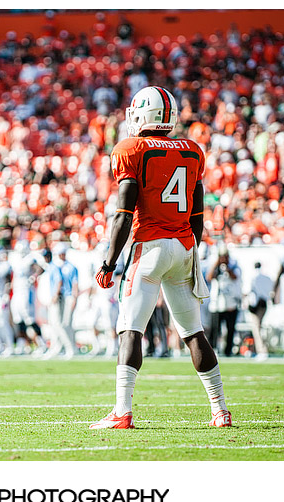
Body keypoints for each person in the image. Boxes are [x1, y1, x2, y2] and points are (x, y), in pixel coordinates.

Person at [92, 85, 232, 429]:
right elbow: (197, 215)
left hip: (149, 246)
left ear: (144, 114)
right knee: (193, 332)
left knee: (130, 330)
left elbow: (123, 213)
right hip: (184, 245)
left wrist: (109, 262)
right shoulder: (191, 150)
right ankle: (220, 411)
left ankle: (122, 412)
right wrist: (190, 250)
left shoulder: (130, 149)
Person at [9, 240, 46, 355]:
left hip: (26, 291)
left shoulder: (30, 258)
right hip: (16, 291)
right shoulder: (14, 258)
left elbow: (40, 268)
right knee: (17, 319)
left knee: (28, 318)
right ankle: (23, 344)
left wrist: (33, 276)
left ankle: (40, 343)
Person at [37, 248, 74, 359]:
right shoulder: (51, 268)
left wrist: (55, 296)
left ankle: (69, 347)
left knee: (58, 324)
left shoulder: (53, 268)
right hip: (54, 298)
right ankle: (56, 347)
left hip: (56, 299)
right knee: (53, 325)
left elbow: (59, 281)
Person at [206, 242, 242, 356]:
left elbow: (235, 276)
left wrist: (227, 267)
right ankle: (213, 349)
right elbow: (209, 277)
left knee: (230, 328)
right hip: (217, 303)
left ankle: (228, 351)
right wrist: (216, 264)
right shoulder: (215, 266)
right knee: (215, 328)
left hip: (230, 303)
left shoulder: (234, 265)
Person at [245, 261, 274, 360]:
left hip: (255, 304)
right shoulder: (267, 278)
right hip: (263, 304)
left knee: (256, 327)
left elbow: (249, 290)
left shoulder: (253, 277)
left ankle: (262, 350)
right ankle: (260, 349)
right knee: (259, 326)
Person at [54, 243, 79, 352]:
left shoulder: (71, 267)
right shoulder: (60, 266)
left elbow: (75, 284)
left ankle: (71, 347)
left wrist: (74, 297)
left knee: (66, 323)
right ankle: (64, 347)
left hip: (69, 296)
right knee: (63, 324)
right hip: (63, 297)